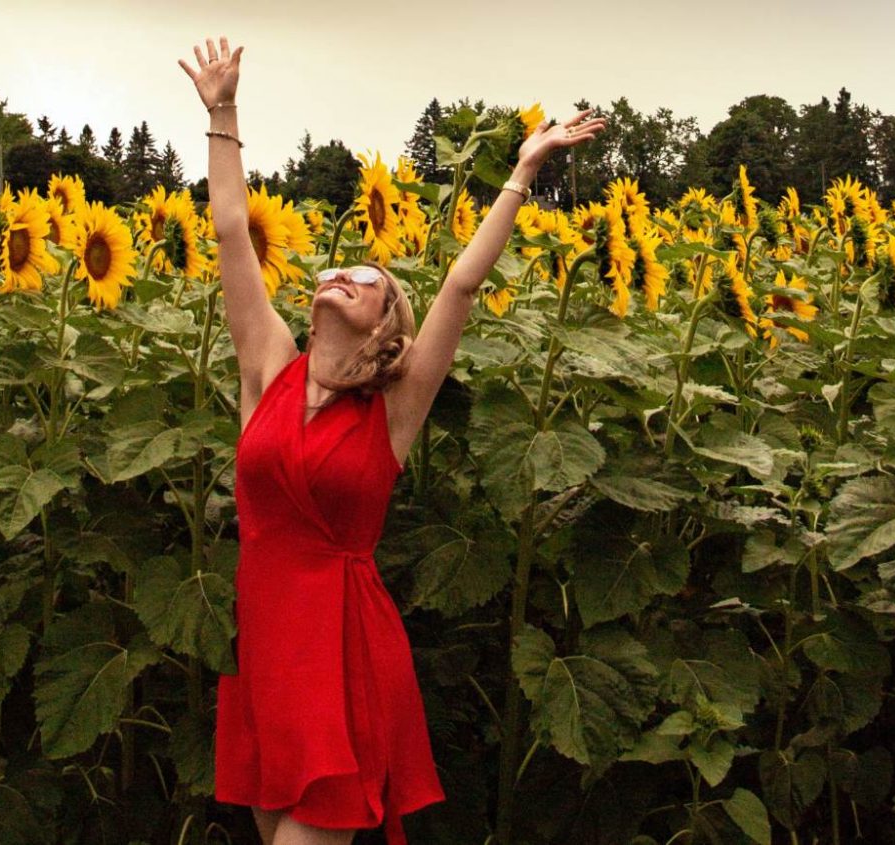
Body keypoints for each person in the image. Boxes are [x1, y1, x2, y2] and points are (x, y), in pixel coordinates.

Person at [179, 35, 606, 845]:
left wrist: (521, 172)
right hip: (268, 650)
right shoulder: (268, 367)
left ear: (385, 323)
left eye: (366, 281)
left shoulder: (395, 406)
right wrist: (224, 112)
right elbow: (234, 234)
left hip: (341, 657)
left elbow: (461, 283)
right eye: (336, 271)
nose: (342, 275)